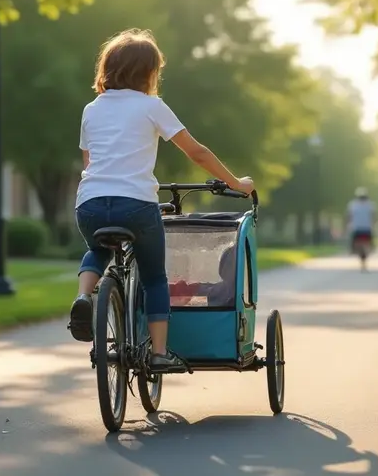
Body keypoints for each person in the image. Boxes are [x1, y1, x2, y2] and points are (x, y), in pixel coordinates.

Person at [68, 28, 254, 374]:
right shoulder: (152, 106)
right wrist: (236, 183)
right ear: (148, 72)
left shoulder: (91, 110)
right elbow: (196, 152)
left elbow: (89, 163)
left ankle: (84, 296)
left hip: (90, 203)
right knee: (154, 277)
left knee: (99, 249)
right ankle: (158, 353)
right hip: (136, 204)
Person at [346, 187, 376, 256]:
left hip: (357, 228)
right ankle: (372, 247)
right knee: (371, 238)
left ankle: (351, 249)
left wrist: (348, 223)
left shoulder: (352, 205)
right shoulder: (370, 205)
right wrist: (374, 222)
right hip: (367, 228)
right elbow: (374, 215)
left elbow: (349, 216)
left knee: (352, 239)